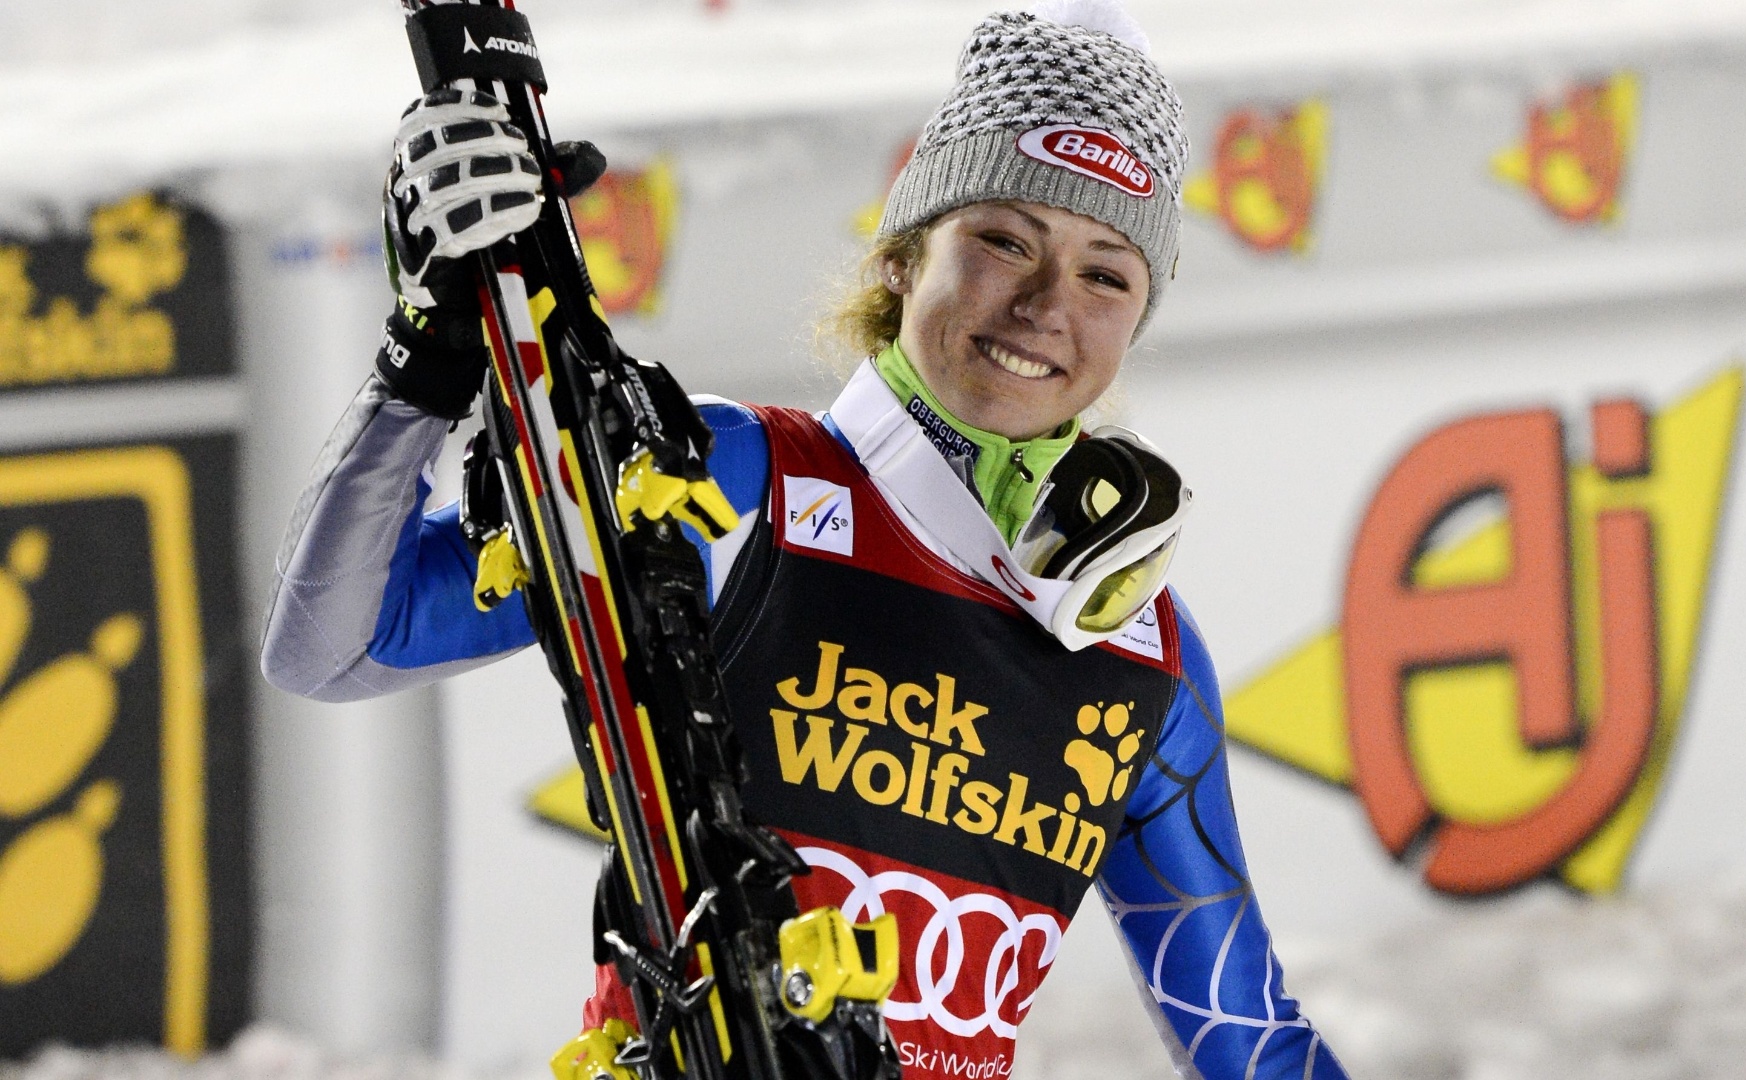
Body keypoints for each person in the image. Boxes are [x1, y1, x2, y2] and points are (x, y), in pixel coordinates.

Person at [261, 2, 1348, 1077]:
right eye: (1004, 241)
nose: (1046, 305)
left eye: (1107, 274)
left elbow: (1248, 1037)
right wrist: (424, 364)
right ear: (902, 258)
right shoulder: (732, 485)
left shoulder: (1144, 653)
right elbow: (337, 643)